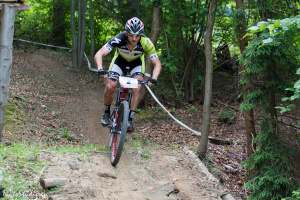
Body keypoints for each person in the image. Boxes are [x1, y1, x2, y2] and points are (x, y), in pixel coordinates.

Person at [94, 17, 162, 131]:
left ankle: (130, 119)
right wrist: (100, 68)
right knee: (110, 85)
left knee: (137, 87)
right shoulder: (119, 38)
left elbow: (157, 63)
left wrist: (154, 78)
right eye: (131, 35)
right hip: (119, 62)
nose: (134, 38)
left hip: (136, 64)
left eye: (137, 35)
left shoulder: (146, 43)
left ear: (141, 34)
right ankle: (106, 112)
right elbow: (99, 54)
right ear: (126, 33)